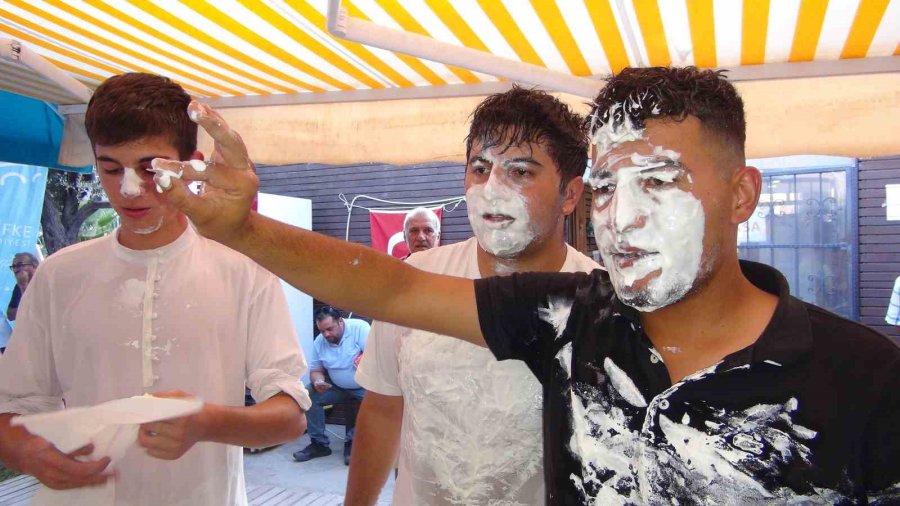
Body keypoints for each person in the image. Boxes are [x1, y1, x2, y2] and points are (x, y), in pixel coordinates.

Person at [153, 66, 900, 504]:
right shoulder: (573, 319)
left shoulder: (867, 380)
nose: (624, 216)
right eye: (608, 186)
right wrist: (241, 230)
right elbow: (390, 289)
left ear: (742, 195)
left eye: (659, 181)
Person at [0, 73, 310, 506]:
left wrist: (208, 422)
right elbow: (14, 407)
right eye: (110, 168)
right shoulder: (59, 275)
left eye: (150, 168)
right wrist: (28, 452)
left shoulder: (242, 270)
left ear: (192, 163)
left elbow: (290, 415)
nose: (129, 188)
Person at [350, 87, 600, 504]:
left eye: (520, 171)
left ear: (570, 194)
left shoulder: (601, 302)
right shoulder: (417, 278)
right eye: (480, 168)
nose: (491, 189)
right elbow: (382, 408)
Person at [293, 306, 369, 465]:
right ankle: (319, 444)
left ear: (340, 321)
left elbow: (376, 359)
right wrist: (318, 381)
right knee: (308, 394)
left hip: (365, 385)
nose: (326, 334)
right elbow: (315, 370)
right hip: (337, 385)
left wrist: (366, 361)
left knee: (378, 401)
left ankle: (354, 442)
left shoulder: (359, 328)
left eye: (330, 329)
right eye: (322, 331)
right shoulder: (319, 342)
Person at [6, 252, 39, 322]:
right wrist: (23, 286)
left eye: (19, 265)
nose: (16, 270)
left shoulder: (47, 280)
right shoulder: (19, 286)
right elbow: (10, 315)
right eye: (13, 267)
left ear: (34, 266)